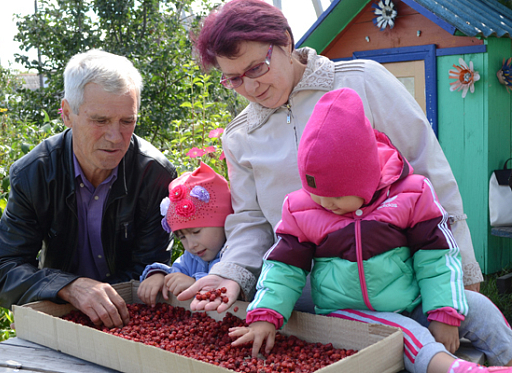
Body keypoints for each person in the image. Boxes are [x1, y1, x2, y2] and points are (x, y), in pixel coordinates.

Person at [177, 0, 483, 313]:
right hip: (306, 298)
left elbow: (429, 174)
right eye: (234, 79)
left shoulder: (363, 81)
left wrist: (464, 266)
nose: (251, 86)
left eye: (256, 68)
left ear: (286, 40)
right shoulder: (240, 135)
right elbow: (251, 222)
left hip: (399, 283)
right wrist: (230, 273)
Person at [229, 88, 512, 373]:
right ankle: (460, 370)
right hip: (351, 316)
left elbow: (437, 257)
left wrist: (443, 311)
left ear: (366, 177)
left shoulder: (411, 194)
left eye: (337, 195)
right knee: (408, 335)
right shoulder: (300, 209)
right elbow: (283, 269)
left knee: (478, 305)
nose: (326, 203)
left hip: (410, 300)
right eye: (315, 193)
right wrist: (265, 315)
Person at [0, 49, 177, 328]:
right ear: (66, 114)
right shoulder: (34, 173)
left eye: (127, 121)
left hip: (127, 320)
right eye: (100, 121)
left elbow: (148, 272)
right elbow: (1, 273)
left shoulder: (153, 174)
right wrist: (71, 287)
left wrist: (98, 300)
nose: (115, 137)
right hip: (58, 315)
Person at [137, 162, 233, 306]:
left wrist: (196, 283)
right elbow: (176, 272)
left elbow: (237, 287)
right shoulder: (191, 258)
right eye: (182, 237)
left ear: (223, 222)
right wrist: (159, 275)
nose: (191, 245)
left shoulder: (235, 255)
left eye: (196, 232)